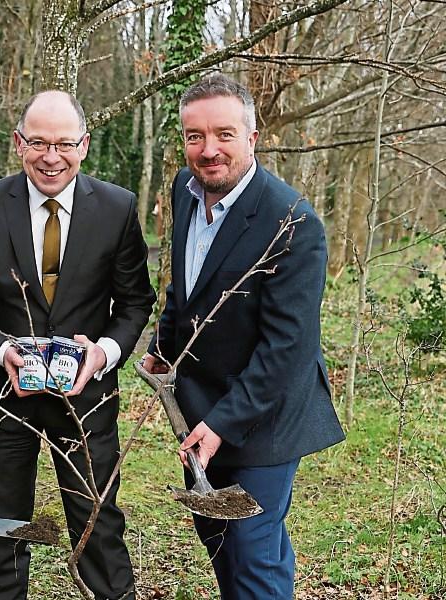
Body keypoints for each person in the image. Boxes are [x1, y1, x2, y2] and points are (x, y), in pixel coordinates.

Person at [0, 90, 155, 600]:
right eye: (38, 143)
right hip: (3, 398)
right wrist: (1, 349)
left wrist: (104, 353)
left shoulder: (117, 208)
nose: (51, 157)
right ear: (18, 144)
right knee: (2, 530)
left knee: (98, 524)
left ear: (85, 145)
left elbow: (137, 303)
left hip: (88, 400)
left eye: (63, 144)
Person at [142, 74, 345, 599]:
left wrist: (223, 423)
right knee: (219, 540)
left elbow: (288, 349)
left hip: (266, 417)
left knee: (252, 551)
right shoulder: (186, 196)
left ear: (252, 138)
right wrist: (164, 348)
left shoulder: (293, 223)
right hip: (198, 406)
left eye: (224, 134)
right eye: (194, 136)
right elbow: (185, 290)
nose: (208, 150)